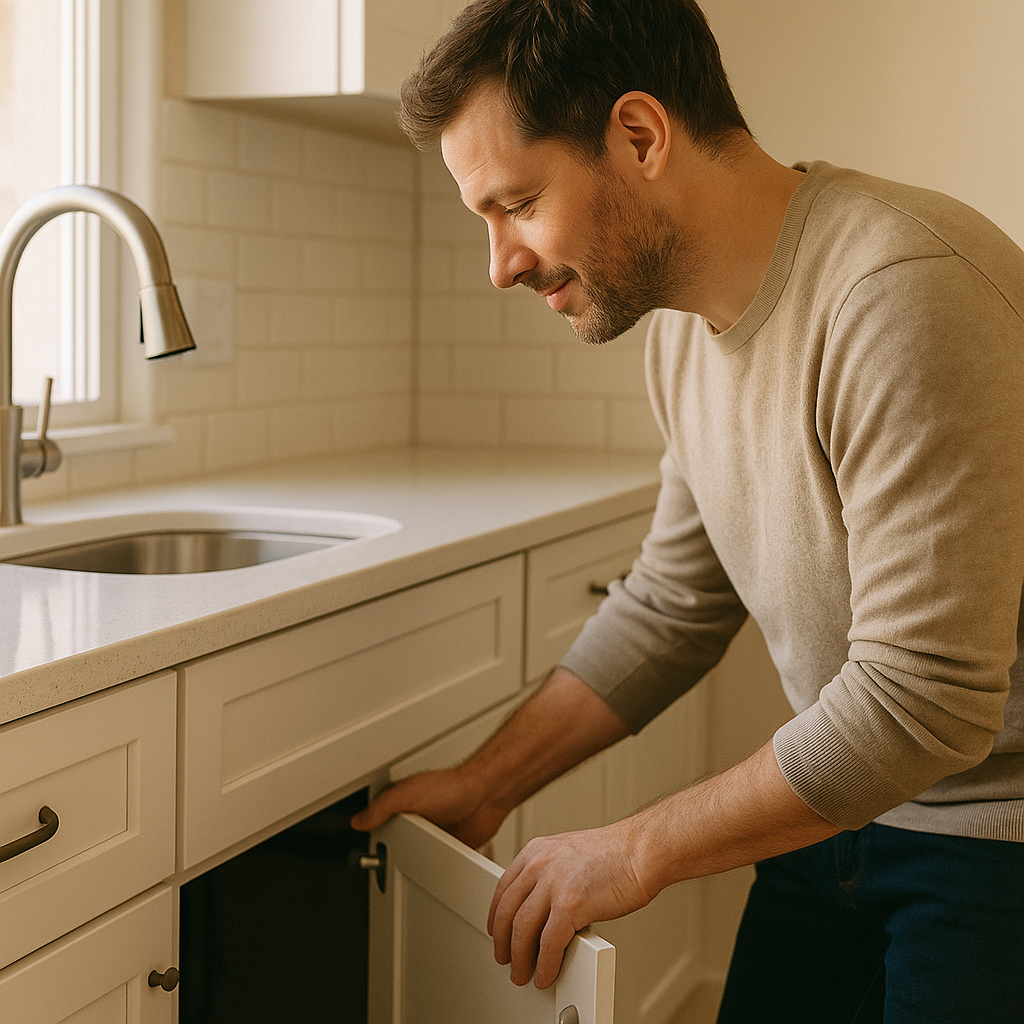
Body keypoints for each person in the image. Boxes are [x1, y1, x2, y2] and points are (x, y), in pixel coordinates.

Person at [351, 1, 1024, 1020]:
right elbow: (674, 600)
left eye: (518, 203)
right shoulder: (681, 329)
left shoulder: (897, 293)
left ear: (638, 136)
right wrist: (488, 780)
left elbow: (924, 701)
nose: (502, 263)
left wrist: (636, 848)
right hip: (842, 810)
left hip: (993, 834)